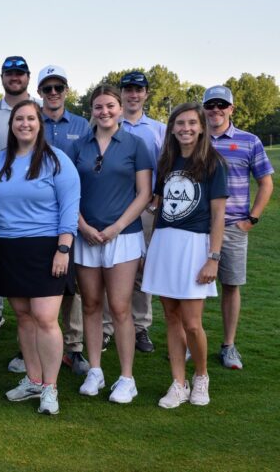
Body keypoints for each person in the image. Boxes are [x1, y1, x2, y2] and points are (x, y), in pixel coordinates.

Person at [0, 100, 80, 415]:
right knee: (24, 318)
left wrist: (63, 248)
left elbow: (70, 207)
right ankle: (33, 379)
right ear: (11, 124)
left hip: (47, 248)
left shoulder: (58, 161)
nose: (25, 123)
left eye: (31, 118)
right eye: (19, 119)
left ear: (39, 124)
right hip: (8, 248)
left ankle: (50, 388)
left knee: (44, 318)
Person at [68, 84, 152, 404]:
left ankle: (126, 377)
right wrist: (83, 226)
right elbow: (69, 191)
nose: (104, 112)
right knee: (90, 304)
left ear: (119, 108)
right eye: (98, 107)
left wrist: (117, 226)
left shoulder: (136, 144)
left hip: (124, 236)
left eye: (110, 106)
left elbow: (144, 193)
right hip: (86, 235)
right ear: (92, 110)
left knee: (119, 307)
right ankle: (95, 370)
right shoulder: (80, 146)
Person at [142, 102, 227, 408]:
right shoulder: (167, 161)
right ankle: (178, 382)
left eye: (192, 123)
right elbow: (158, 203)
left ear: (202, 126)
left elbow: (218, 216)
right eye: (180, 123)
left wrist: (213, 257)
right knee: (171, 318)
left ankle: (201, 376)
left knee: (192, 322)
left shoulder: (214, 163)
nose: (186, 128)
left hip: (195, 246)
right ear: (172, 128)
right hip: (165, 243)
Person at [204, 85, 274, 369]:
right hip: (198, 227)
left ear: (231, 109)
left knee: (231, 286)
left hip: (233, 226)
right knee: (191, 287)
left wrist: (251, 219)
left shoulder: (249, 141)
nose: (216, 109)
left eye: (222, 104)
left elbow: (265, 182)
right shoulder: (194, 138)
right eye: (211, 105)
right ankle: (186, 342)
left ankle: (228, 345)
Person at [36, 65, 92, 376]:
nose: (54, 93)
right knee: (40, 280)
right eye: (48, 88)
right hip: (40, 214)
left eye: (59, 87)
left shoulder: (83, 125)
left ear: (66, 91)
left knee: (73, 284)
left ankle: (74, 347)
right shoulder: (32, 120)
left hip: (74, 211)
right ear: (40, 92)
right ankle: (35, 343)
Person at [0, 56, 41, 341]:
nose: (14, 77)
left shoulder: (39, 109)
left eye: (19, 73)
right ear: (2, 77)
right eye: (9, 73)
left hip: (35, 200)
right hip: (1, 189)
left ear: (28, 77)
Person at [114, 71, 167, 353]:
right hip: (111, 207)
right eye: (128, 89)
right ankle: (108, 327)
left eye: (139, 89)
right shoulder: (109, 121)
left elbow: (166, 167)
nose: (133, 94)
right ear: (121, 93)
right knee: (108, 268)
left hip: (145, 208)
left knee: (141, 270)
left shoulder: (158, 129)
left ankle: (140, 326)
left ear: (146, 93)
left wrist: (156, 200)